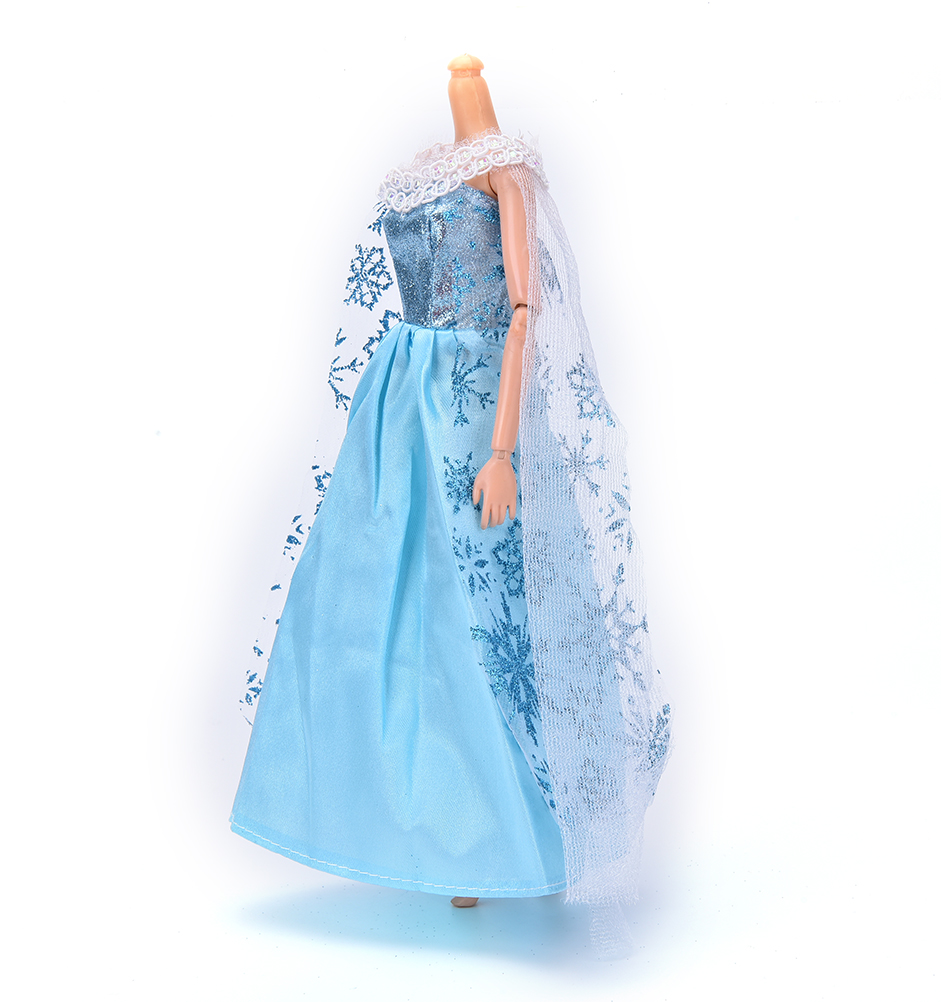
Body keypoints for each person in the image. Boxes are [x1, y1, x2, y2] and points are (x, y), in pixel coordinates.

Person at [232, 55, 671, 952]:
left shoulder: (505, 169)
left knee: (482, 618)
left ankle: (506, 836)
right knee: (381, 603)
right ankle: (413, 823)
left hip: (470, 401)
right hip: (401, 394)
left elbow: (524, 312)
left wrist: (504, 449)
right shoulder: (428, 167)